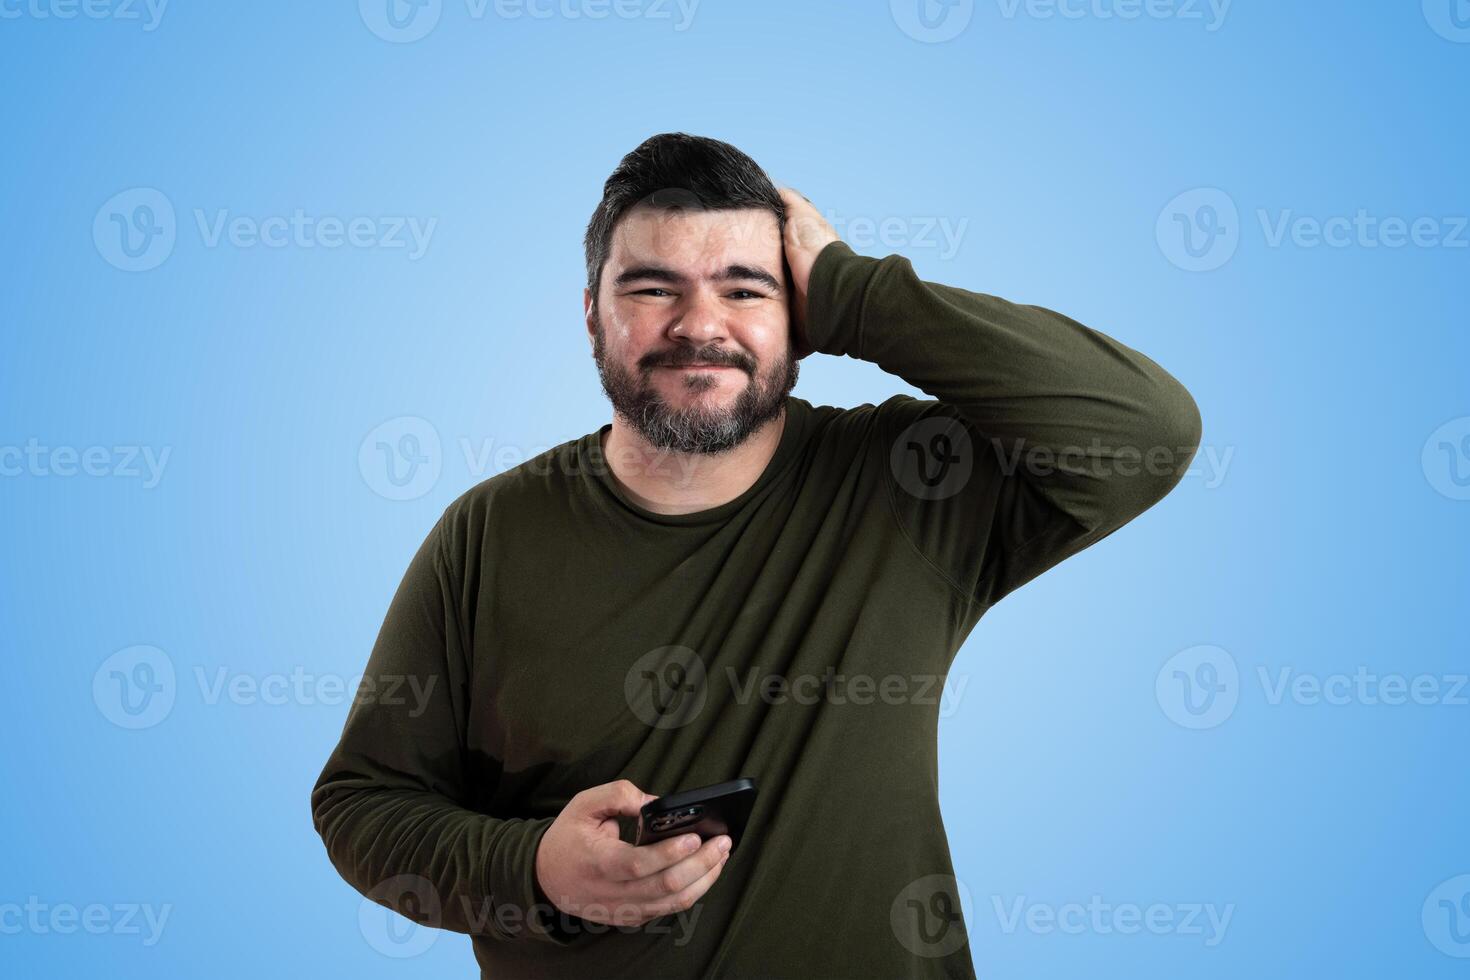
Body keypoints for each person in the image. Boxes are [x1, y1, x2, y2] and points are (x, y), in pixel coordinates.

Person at [311, 132, 1202, 978]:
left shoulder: (911, 486)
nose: (702, 326)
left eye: (745, 288)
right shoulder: (487, 534)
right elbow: (362, 805)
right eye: (653, 289)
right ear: (591, 315)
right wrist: (535, 870)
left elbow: (1147, 432)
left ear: (803, 317)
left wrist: (859, 293)